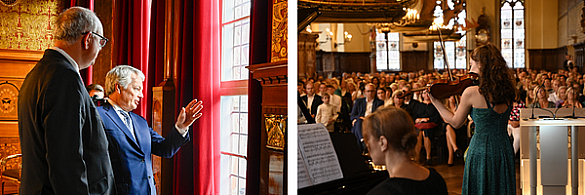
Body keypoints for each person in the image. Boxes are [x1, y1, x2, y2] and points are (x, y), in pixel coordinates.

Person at [18, 7, 115, 194]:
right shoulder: (65, 78)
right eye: (101, 42)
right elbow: (65, 160)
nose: (100, 50)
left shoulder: (38, 73)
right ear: (88, 40)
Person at [97, 65, 203, 194]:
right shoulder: (97, 116)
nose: (141, 95)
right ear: (118, 87)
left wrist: (181, 127)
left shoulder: (140, 121)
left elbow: (165, 149)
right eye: (137, 89)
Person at [430, 43, 516, 194]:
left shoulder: (472, 92)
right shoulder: (508, 90)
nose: (469, 70)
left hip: (481, 150)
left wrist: (436, 102)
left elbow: (456, 122)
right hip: (503, 147)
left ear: (481, 65)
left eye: (471, 64)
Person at [363, 107, 448, 195]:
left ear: (383, 142)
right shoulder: (436, 178)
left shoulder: (382, 192)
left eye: (368, 139)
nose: (367, 145)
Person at [350, 83, 384, 152]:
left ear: (374, 92)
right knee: (358, 123)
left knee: (357, 126)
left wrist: (366, 119)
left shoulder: (379, 102)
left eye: (372, 91)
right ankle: (363, 142)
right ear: (365, 92)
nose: (370, 93)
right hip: (360, 121)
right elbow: (352, 115)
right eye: (368, 91)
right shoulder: (359, 101)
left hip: (372, 121)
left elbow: (379, 115)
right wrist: (356, 119)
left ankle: (362, 146)